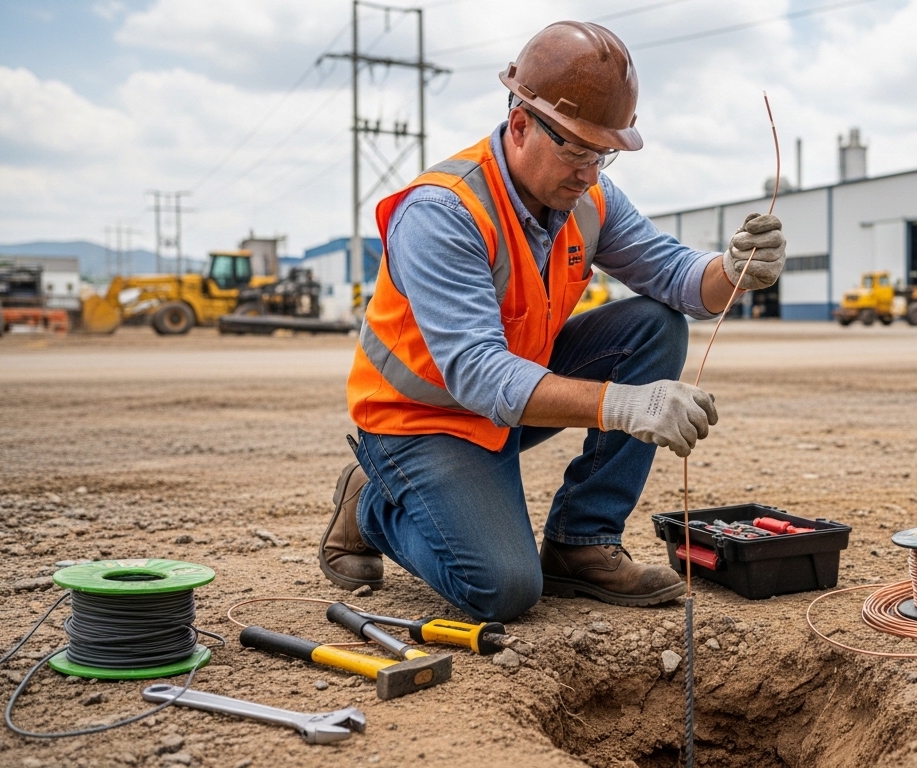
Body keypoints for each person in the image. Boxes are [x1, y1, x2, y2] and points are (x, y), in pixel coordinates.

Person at [317, 21, 786, 623]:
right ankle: (373, 500)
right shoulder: (442, 212)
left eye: (604, 152)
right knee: (503, 589)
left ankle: (581, 544)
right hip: (421, 423)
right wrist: (625, 405)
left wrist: (733, 268)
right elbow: (479, 374)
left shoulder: (587, 199)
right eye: (576, 149)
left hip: (507, 405)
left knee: (654, 323)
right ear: (519, 126)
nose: (591, 171)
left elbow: (677, 278)